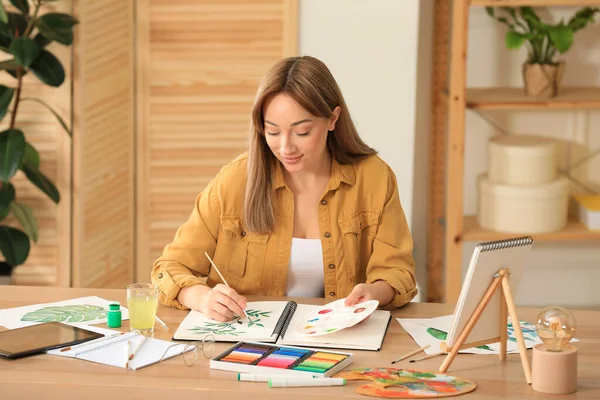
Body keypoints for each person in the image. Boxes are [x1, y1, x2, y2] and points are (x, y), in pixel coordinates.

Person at [151, 55, 417, 322]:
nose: (286, 148)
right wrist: (202, 298)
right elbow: (169, 268)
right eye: (273, 132)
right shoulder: (234, 181)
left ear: (333, 119)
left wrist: (376, 292)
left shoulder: (374, 178)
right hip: (248, 340)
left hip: (338, 340)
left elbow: (397, 271)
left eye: (302, 132)